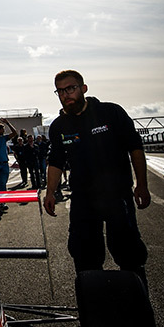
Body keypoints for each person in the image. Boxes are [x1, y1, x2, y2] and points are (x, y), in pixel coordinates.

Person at [43, 70, 150, 288]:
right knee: (84, 255)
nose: (66, 95)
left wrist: (142, 185)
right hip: (82, 199)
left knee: (128, 253)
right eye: (60, 91)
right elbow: (55, 161)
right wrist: (50, 191)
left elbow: (135, 148)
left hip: (117, 194)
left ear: (83, 88)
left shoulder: (111, 112)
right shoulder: (59, 126)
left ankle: (138, 304)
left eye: (70, 88)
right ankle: (92, 312)